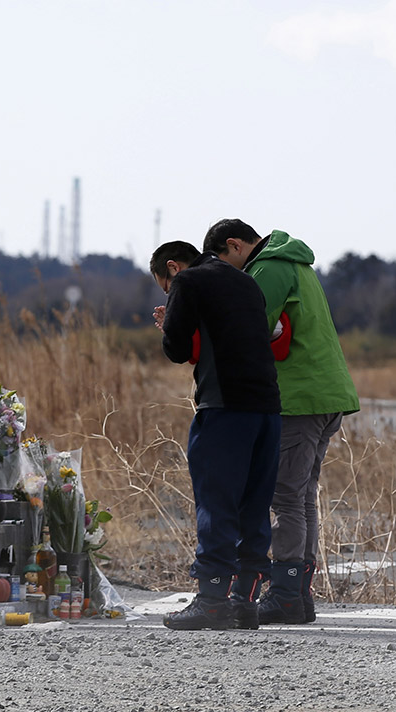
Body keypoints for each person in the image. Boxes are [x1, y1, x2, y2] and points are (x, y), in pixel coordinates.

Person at [203, 219, 360, 625]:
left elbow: (245, 324)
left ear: (235, 245)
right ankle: (296, 594)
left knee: (286, 497)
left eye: (225, 264)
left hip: (300, 397)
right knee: (303, 495)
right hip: (326, 394)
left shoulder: (268, 268)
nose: (229, 277)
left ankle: (287, 592)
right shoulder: (295, 263)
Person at [151, 241, 282, 630]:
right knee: (254, 504)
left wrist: (168, 321)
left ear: (172, 268)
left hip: (225, 407)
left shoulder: (189, 282)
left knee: (216, 500)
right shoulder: (245, 282)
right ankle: (245, 602)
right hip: (269, 408)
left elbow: (176, 348)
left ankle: (211, 601)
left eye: (165, 286)